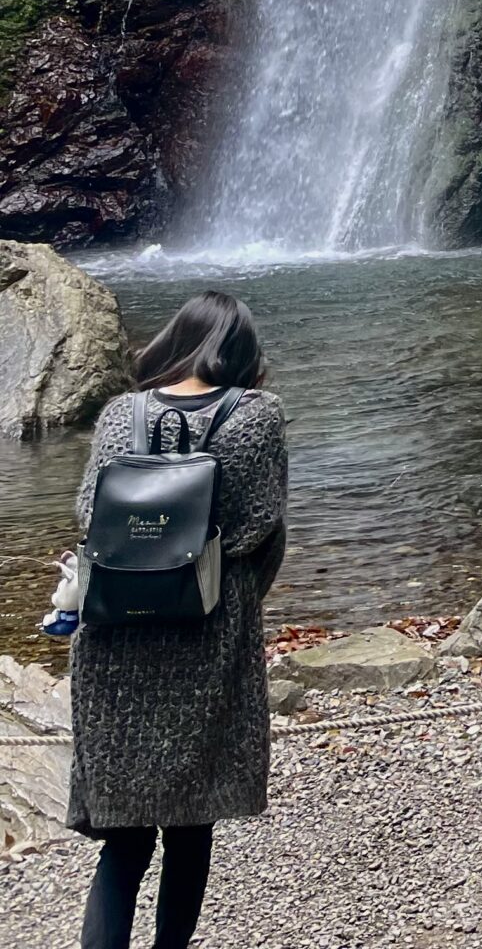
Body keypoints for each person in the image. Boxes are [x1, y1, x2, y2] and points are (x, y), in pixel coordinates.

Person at [67, 290, 287, 949]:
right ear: (243, 354)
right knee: (191, 832)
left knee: (123, 848)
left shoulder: (117, 415)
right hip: (207, 642)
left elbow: (88, 515)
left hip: (113, 649)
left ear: (173, 342)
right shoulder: (257, 416)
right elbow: (261, 532)